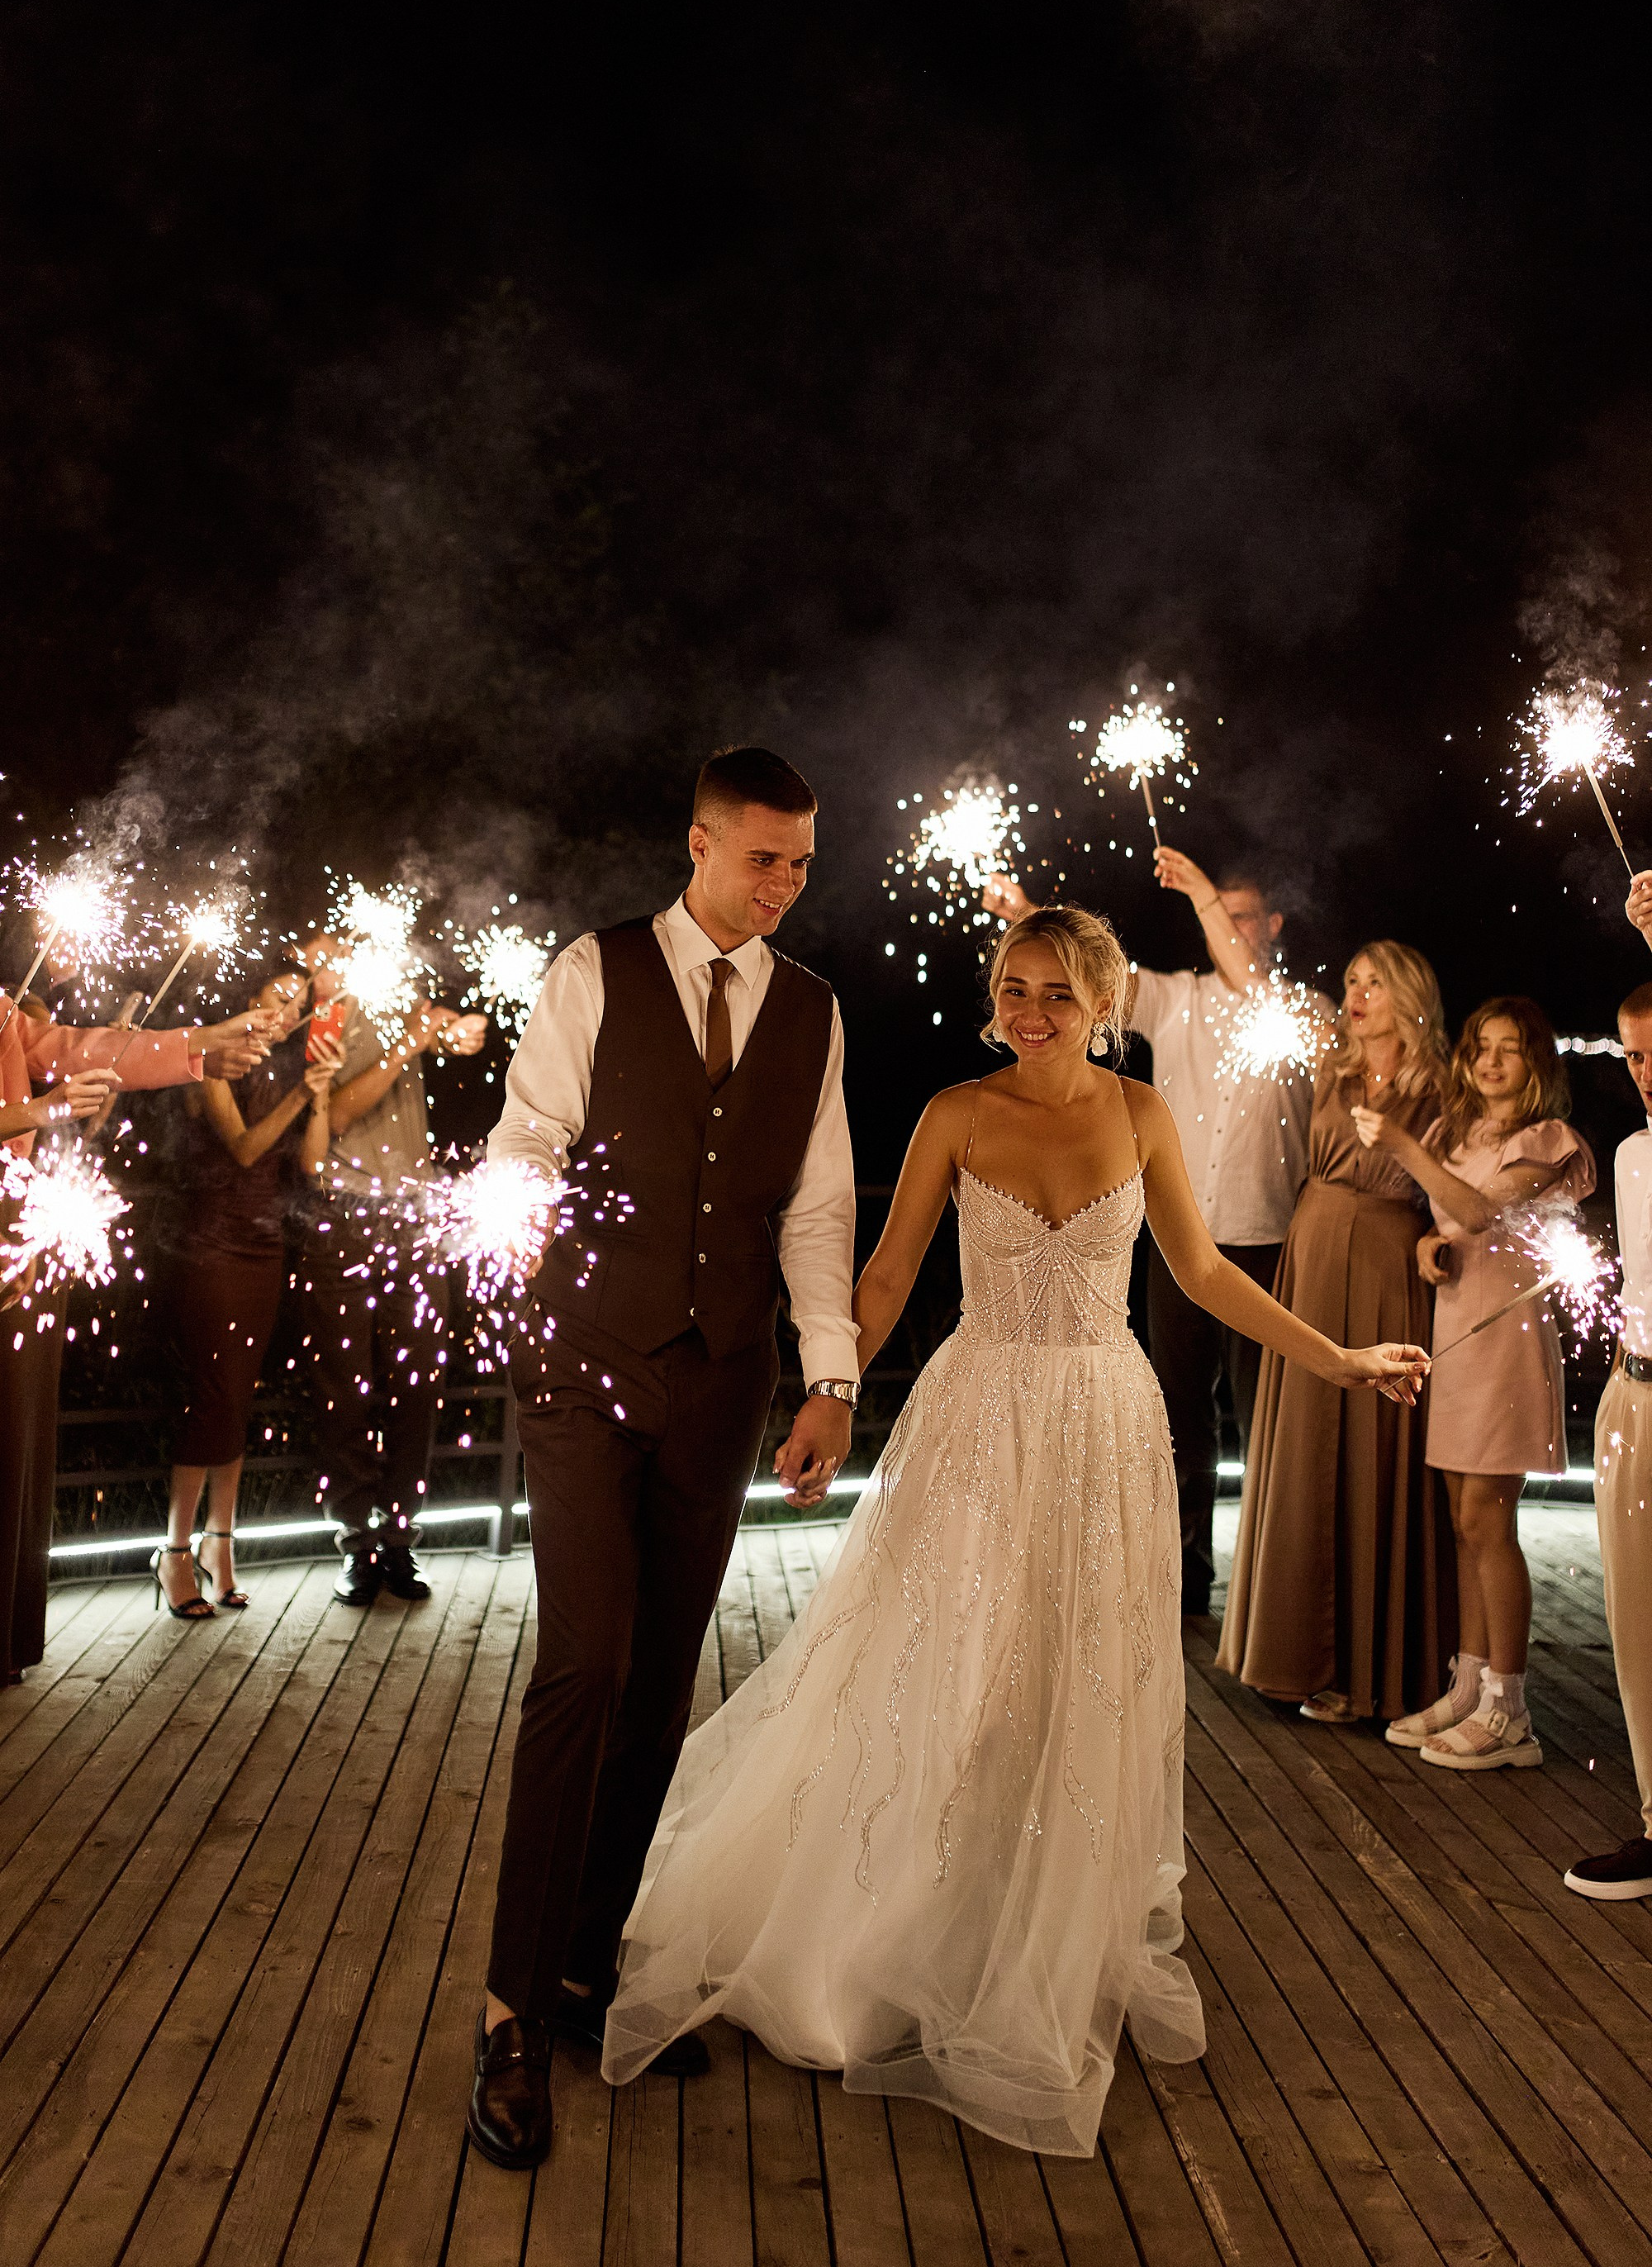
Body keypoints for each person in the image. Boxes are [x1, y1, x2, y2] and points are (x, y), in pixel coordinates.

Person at [598, 905, 1424, 2157]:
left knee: (1068, 1684)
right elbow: (883, 1276)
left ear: (1100, 1004)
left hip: (1104, 1427)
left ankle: (1025, 1934)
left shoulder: (1144, 1117)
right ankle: (895, 1931)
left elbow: (1200, 1275)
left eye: (1053, 992)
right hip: (978, 1421)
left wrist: (1342, 1358)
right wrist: (831, 1394)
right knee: (954, 1671)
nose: (1026, 1010)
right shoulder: (954, 1113)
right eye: (1011, 986)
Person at [467, 746, 861, 2173]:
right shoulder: (596, 971)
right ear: (697, 845)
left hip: (723, 1386)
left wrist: (831, 1378)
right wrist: (515, 1270)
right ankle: (510, 2015)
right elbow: (523, 1145)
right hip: (581, 1371)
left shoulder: (814, 1013)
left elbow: (817, 1213)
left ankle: (586, 1972)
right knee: (583, 1662)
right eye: (763, 859)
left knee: (662, 1681)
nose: (784, 887)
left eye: (803, 864)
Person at [987, 850, 1326, 1613]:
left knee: (1271, 1423)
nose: (1225, 927)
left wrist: (1202, 888)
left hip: (1274, 1241)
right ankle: (1184, 1576)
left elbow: (1248, 975)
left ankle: (1275, 1597)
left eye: (1241, 915)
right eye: (1219, 914)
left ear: (1271, 925)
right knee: (1179, 1420)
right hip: (1183, 1248)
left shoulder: (1299, 1008)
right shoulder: (1176, 1000)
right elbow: (1089, 981)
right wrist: (1023, 915)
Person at [0, 959, 273, 1685]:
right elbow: (47, 1087)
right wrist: (36, 1112)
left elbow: (67, 1048)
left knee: (12, 1433)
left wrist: (201, 1047)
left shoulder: (3, 1007)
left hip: (11, 1231)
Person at [1217, 940, 1453, 1723]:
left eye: (1374, 982)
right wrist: (1203, 898)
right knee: (1308, 1439)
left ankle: (1374, 1670)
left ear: (1409, 994)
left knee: (1378, 1447)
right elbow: (1255, 984)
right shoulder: (1331, 1064)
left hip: (1389, 1261)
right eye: (1349, 978)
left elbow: (1456, 1193)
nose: (1356, 993)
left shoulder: (1441, 1086)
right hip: (1313, 1252)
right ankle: (1291, 1656)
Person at [1360, 1000, 1593, 1770]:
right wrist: (1429, 1245)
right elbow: (1453, 1225)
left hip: (1510, 1347)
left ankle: (1510, 1713)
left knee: (1490, 1521)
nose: (1491, 1062)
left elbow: (1483, 1211)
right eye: (1481, 1048)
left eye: (1511, 1050)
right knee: (1464, 1519)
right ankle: (1468, 1688)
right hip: (1457, 1339)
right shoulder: (1456, 1135)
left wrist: (1398, 1141)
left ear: (1537, 1065)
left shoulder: (1548, 1141)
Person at [295, 936, 485, 1608]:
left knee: (417, 1380)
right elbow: (338, 1112)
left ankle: (400, 1539)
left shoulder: (396, 1000)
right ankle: (355, 1543)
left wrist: (461, 1032)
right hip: (342, 1218)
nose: (332, 963)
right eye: (320, 956)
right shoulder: (317, 1026)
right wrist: (411, 1043)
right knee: (344, 1391)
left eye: (339, 950)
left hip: (416, 1218)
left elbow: (463, 1034)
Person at [154, 968, 345, 1619]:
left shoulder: (298, 1067)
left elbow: (311, 1165)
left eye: (301, 1000)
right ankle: (175, 1552)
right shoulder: (215, 1056)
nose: (292, 1006)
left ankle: (220, 1545)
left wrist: (318, 1094)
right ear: (250, 1001)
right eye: (280, 994)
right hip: (211, 1244)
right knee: (212, 1396)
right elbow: (241, 1148)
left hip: (267, 1246)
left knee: (238, 1394)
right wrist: (300, 1094)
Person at [1564, 943, 1652, 1899]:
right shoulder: (1628, 1156)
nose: (1645, 1073)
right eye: (1631, 1055)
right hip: (1632, 1395)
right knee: (1634, 1624)